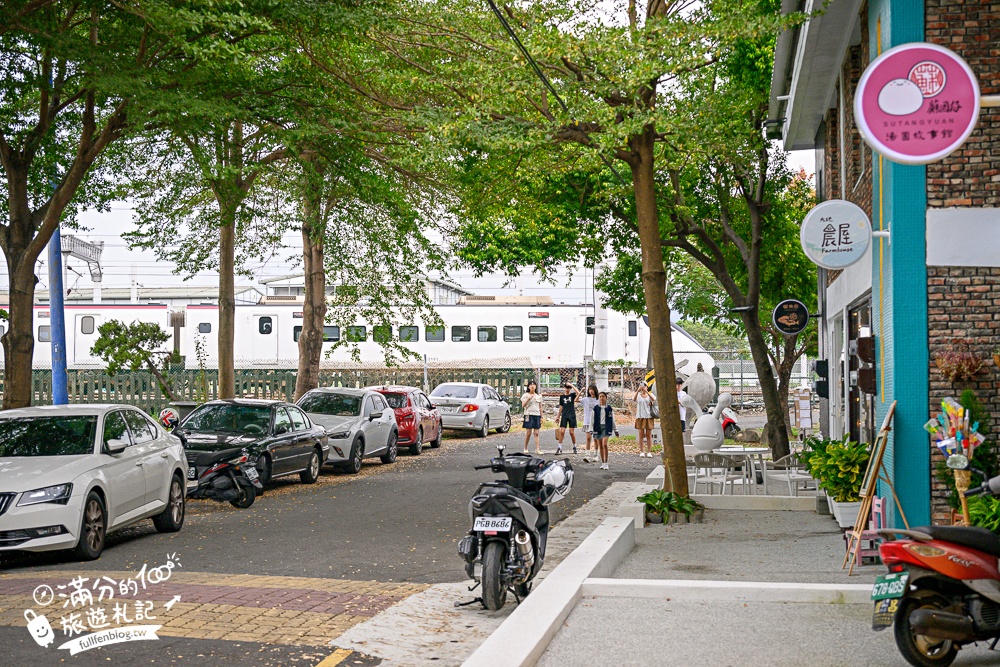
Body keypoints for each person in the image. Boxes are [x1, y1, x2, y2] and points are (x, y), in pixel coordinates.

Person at [592, 391, 616, 470]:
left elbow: (613, 420)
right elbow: (592, 419)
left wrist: (615, 430)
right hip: (598, 427)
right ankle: (603, 462)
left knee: (604, 444)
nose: (602, 398)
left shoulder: (609, 408)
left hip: (607, 427)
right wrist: (590, 429)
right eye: (600, 397)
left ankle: (606, 462)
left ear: (606, 398)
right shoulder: (595, 408)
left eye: (603, 396)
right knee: (600, 445)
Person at [555, 383, 579, 455]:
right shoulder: (562, 397)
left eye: (568, 388)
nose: (567, 389)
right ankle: (559, 447)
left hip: (571, 415)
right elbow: (561, 407)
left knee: (571, 432)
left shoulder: (572, 395)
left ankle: (574, 446)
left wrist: (571, 385)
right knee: (562, 431)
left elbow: (578, 393)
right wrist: (558, 416)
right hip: (564, 415)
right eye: (566, 388)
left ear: (570, 389)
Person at [633, 384, 655, 458]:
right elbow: (633, 399)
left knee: (649, 434)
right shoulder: (638, 395)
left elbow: (654, 399)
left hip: (649, 416)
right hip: (640, 416)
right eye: (642, 386)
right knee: (641, 434)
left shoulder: (650, 394)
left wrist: (647, 392)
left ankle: (649, 451)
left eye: (645, 386)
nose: (643, 387)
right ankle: (642, 451)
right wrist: (638, 390)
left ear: (647, 387)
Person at [521, 380, 543, 454]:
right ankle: (525, 448)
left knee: (536, 433)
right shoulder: (525, 395)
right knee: (528, 432)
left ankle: (537, 449)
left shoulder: (538, 396)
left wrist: (541, 417)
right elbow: (523, 405)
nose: (532, 386)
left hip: (537, 415)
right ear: (528, 386)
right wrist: (528, 398)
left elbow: (540, 407)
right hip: (528, 414)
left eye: (534, 384)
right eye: (531, 385)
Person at [580, 385, 599, 455]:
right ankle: (587, 454)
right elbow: (576, 400)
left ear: (595, 390)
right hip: (587, 421)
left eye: (592, 389)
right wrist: (581, 392)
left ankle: (596, 454)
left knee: (595, 439)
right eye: (589, 389)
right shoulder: (586, 399)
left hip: (596, 422)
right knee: (588, 438)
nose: (591, 391)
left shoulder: (598, 399)